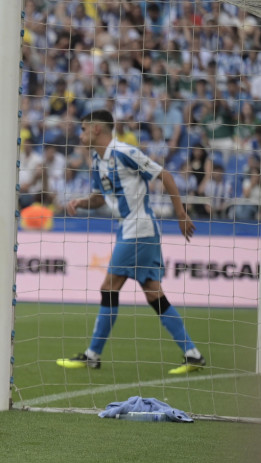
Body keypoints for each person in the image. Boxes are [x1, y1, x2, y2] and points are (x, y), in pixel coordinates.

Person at [57, 110, 205, 374]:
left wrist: (181, 213)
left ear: (97, 130)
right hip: (130, 229)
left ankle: (93, 354)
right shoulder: (96, 160)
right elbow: (101, 198)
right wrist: (81, 202)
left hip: (139, 229)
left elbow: (165, 176)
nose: (79, 135)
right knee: (153, 293)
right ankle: (192, 354)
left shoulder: (124, 152)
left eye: (83, 129)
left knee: (109, 286)